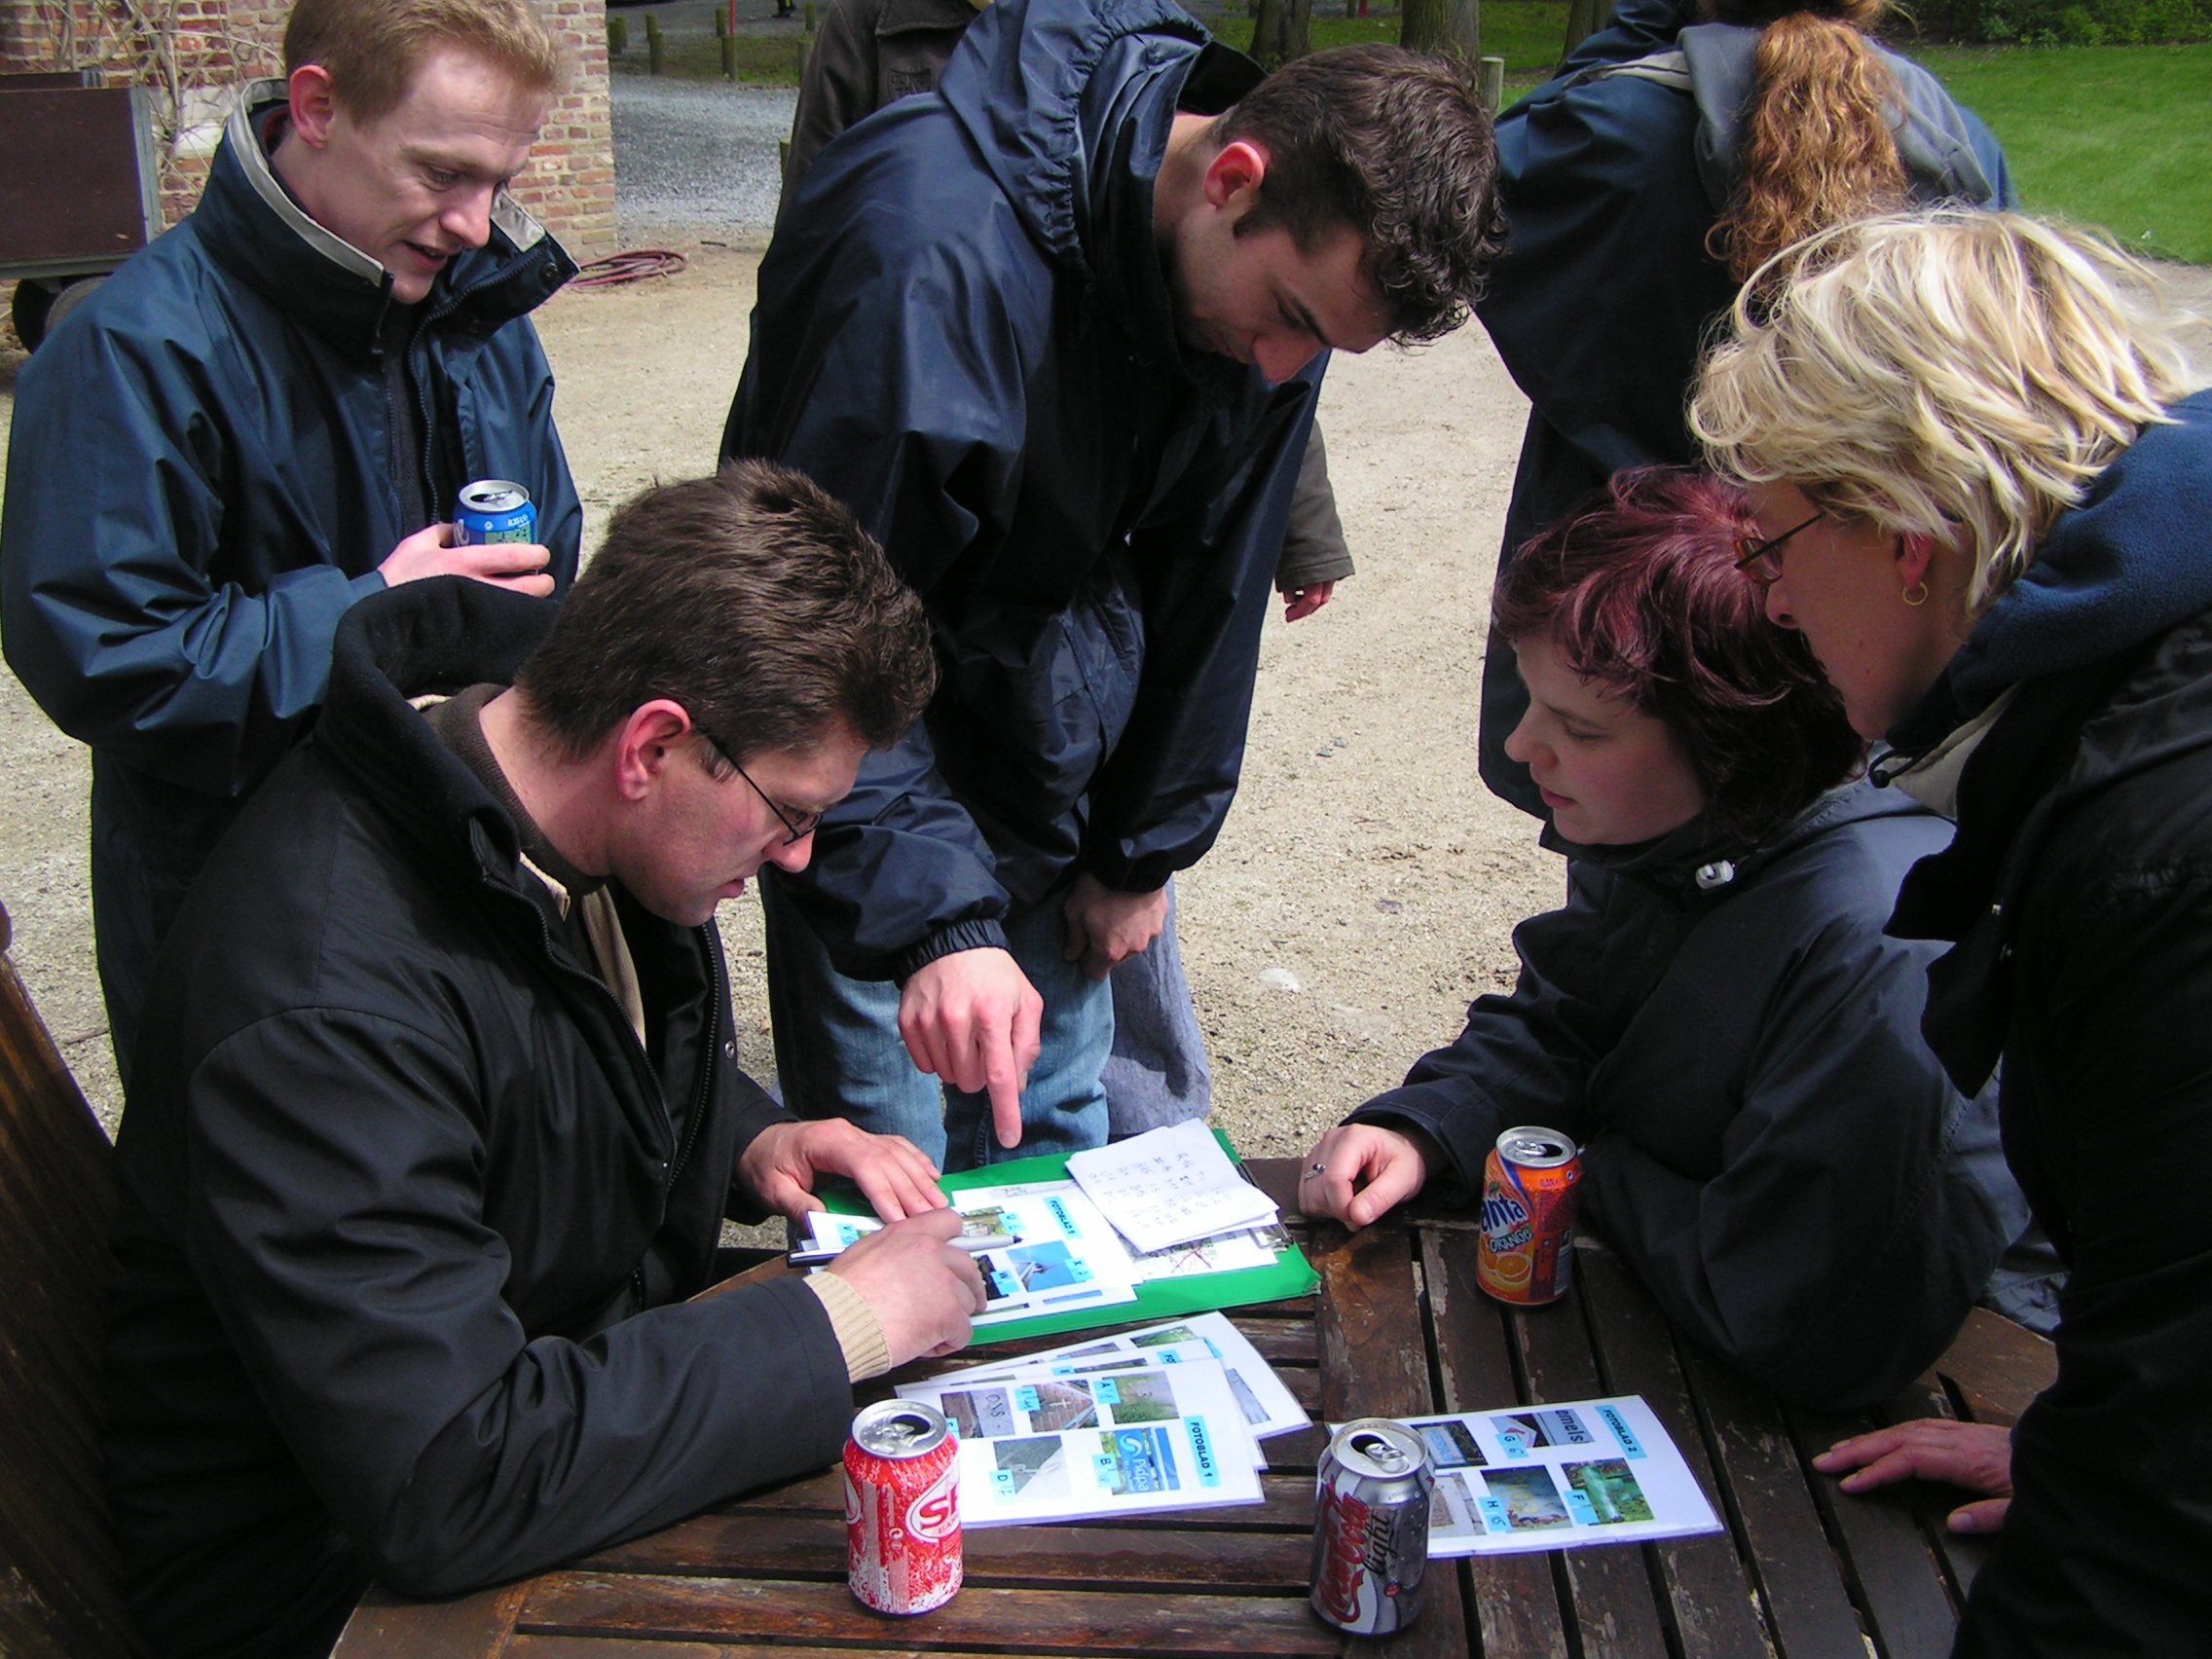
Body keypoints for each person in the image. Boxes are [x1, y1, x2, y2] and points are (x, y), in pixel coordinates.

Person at [100, 463, 986, 1659]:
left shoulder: (555, 813)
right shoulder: (321, 1008)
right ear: (655, 746)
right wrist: (841, 1324)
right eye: (788, 814)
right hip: (332, 1589)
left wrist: (746, 1136)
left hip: (535, 1407)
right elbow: (444, 1478)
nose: (795, 855)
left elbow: (551, 1048)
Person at [723, 0, 1505, 1170]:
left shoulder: (1262, 310)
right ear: (1231, 176)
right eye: (1289, 318)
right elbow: (797, 626)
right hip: (860, 769)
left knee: (1062, 1157)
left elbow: (1217, 584)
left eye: (1322, 347)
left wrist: (1137, 851)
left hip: (1053, 772)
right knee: (883, 1173)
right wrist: (934, 923)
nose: (1284, 371)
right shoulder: (918, 249)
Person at [1689, 209, 2212, 1654]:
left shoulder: (2155, 846)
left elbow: (2159, 1548)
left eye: (1776, 535)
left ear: (1908, 539)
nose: (1772, 591)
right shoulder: (2124, 701)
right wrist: (2083, 1429)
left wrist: (2119, 1468)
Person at [1300, 466, 2034, 1408]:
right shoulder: (1683, 836)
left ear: (1729, 742)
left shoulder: (1882, 952)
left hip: (1937, 1392)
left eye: (1581, 730)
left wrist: (1584, 1164)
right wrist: (1431, 1124)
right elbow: (1568, 1014)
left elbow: (1801, 1315)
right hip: (1671, 1294)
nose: (1524, 750)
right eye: (1530, 704)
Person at [0, 0, 584, 1080]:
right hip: (249, 908)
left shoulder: (484, 317)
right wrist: (374, 616)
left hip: (463, 868)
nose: (473, 223)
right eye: (441, 173)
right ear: (316, 107)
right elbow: (107, 655)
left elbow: (549, 562)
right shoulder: (129, 345)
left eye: (499, 183)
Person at [1471, 0, 2009, 815]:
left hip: (1633, 605)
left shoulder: (1601, 128)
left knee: (1633, 859)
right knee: (1840, 841)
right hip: (1850, 589)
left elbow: (1449, 211)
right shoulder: (1949, 138)